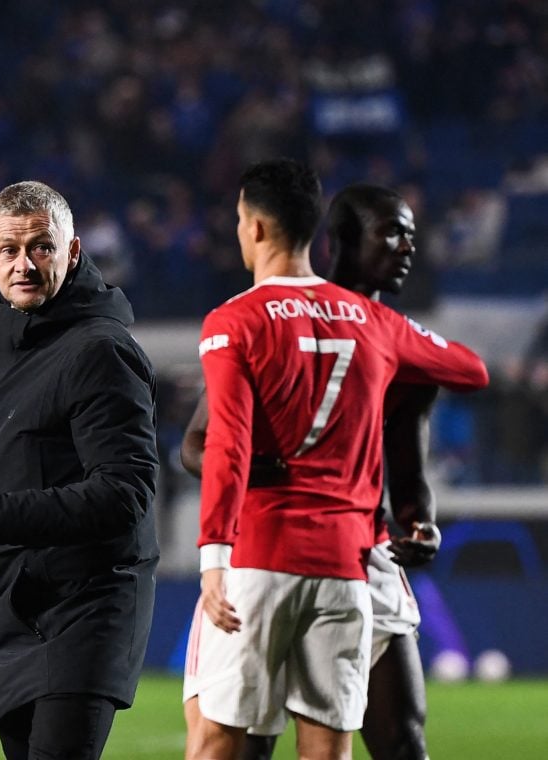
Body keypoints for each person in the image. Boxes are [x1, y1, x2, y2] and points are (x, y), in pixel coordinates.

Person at [185, 159, 489, 760]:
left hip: (292, 554)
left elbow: (225, 445)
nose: (405, 247)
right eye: (391, 232)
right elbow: (471, 371)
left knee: (232, 740)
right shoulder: (380, 328)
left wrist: (213, 557)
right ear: (332, 237)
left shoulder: (239, 320)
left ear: (255, 229)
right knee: (320, 744)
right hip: (337, 561)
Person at [0, 180, 160, 760]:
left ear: (73, 251)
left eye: (41, 248)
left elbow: (125, 494)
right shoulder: (1, 341)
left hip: (83, 612)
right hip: (15, 610)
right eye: (9, 251)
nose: (24, 265)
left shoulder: (101, 350)